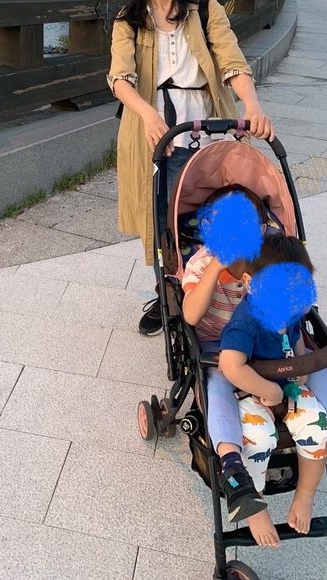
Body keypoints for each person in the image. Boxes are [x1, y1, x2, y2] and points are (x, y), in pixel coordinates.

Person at [182, 198, 327, 546]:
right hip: (222, 347)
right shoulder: (204, 262)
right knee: (220, 388)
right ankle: (236, 473)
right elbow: (192, 317)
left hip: (276, 347)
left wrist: (300, 363)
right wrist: (216, 266)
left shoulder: (270, 256)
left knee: (317, 370)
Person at [107, 0, 274, 336]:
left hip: (206, 130)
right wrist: (148, 114)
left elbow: (232, 61)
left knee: (213, 215)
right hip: (153, 134)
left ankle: (220, 289)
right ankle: (168, 295)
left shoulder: (206, 9)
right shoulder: (130, 18)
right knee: (163, 222)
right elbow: (120, 78)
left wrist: (252, 105)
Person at [219, 235, 327, 548]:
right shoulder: (247, 320)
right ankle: (254, 506)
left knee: (319, 427)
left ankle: (305, 495)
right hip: (251, 390)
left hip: (288, 386)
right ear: (250, 284)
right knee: (257, 439)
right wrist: (267, 389)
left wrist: (302, 368)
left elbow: (296, 342)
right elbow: (230, 365)